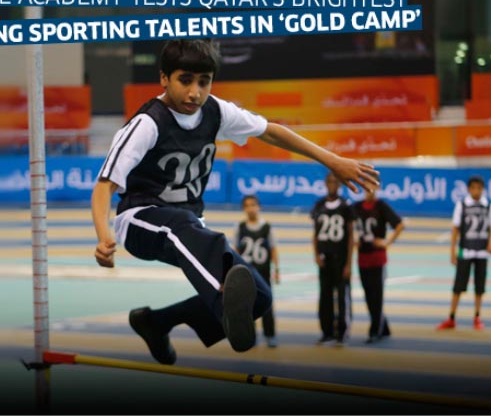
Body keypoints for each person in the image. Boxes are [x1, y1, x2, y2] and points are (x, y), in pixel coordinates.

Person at [91, 39, 379, 364]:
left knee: (259, 297)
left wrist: (332, 160)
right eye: (185, 80)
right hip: (139, 220)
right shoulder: (148, 124)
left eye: (204, 82)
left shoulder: (216, 111)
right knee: (183, 228)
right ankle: (222, 302)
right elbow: (104, 186)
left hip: (189, 226)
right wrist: (103, 236)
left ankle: (156, 323)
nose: (195, 93)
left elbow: (271, 132)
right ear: (164, 78)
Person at [437, 175, 491, 331]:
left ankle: (477, 316)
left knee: (479, 286)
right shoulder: (462, 205)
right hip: (465, 250)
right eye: (473, 188)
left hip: (482, 252)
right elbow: (455, 228)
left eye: (479, 188)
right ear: (469, 189)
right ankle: (451, 317)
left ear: (483, 189)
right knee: (458, 285)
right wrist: (452, 251)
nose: (476, 191)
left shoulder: (488, 205)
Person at [352, 189, 404, 343]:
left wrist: (387, 242)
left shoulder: (381, 206)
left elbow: (400, 225)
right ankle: (384, 327)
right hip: (362, 258)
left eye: (373, 186)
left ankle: (375, 330)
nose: (370, 190)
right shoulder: (356, 207)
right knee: (368, 295)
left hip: (378, 259)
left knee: (377, 295)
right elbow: (347, 224)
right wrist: (354, 240)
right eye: (367, 186)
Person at [311, 172, 355, 346]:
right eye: (329, 181)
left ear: (340, 185)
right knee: (325, 296)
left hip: (341, 259)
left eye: (335, 182)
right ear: (325, 183)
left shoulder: (345, 206)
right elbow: (315, 233)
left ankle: (342, 332)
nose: (332, 184)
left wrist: (349, 263)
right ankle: (326, 331)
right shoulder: (319, 205)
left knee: (343, 296)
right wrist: (316, 254)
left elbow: (351, 236)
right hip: (324, 259)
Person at [233, 195, 280, 348]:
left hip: (263, 273)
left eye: (253, 205)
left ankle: (270, 335)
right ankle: (250, 336)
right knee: (247, 305)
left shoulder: (267, 227)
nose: (251, 208)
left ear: (258, 207)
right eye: (247, 205)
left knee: (267, 304)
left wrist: (277, 269)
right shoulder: (240, 227)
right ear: (244, 208)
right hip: (246, 274)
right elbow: (236, 250)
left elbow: (273, 249)